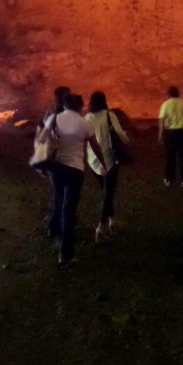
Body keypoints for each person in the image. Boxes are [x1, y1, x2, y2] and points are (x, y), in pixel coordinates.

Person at [45, 92, 103, 265]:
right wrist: (105, 164)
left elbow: (44, 142)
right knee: (68, 210)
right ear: (80, 106)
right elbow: (95, 146)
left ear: (64, 105)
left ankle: (53, 229)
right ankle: (66, 253)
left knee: (58, 198)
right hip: (74, 169)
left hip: (56, 169)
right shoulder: (83, 123)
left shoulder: (53, 120)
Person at [85, 91, 129, 243]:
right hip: (109, 160)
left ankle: (112, 221)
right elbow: (119, 133)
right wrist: (126, 139)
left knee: (106, 191)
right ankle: (101, 229)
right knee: (108, 194)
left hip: (93, 162)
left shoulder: (87, 118)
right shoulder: (109, 115)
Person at [158, 85, 183, 187]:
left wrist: (160, 135)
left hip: (171, 133)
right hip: (182, 132)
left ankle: (168, 179)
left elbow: (162, 120)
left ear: (168, 94)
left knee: (170, 156)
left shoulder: (166, 104)